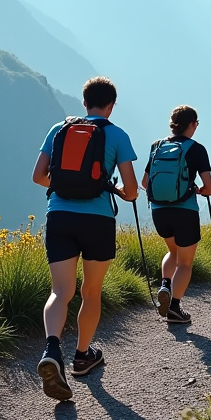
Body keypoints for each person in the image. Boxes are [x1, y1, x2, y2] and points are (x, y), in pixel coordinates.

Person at [31, 77, 138, 401]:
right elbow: (132, 190)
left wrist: (66, 187)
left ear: (84, 102)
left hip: (59, 215)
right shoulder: (117, 135)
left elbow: (38, 176)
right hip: (97, 220)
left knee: (60, 291)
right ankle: (81, 356)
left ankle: (52, 349)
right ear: (111, 106)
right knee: (90, 291)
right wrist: (111, 188)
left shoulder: (59, 129)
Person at [141, 105, 211, 325]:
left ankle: (165, 285)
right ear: (192, 124)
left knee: (172, 251)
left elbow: (144, 182)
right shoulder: (196, 149)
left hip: (159, 211)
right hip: (185, 211)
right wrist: (199, 190)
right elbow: (209, 187)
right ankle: (174, 307)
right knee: (185, 263)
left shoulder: (157, 146)